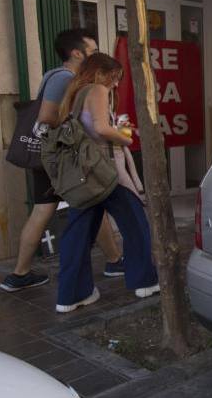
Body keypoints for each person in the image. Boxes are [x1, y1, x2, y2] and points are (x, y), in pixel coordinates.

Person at [0, 30, 124, 293]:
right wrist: (75, 127)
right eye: (93, 50)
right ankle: (113, 262)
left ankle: (20, 274)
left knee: (50, 208)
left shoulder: (59, 76)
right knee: (88, 200)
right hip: (60, 157)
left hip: (53, 155)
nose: (98, 55)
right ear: (76, 53)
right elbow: (47, 117)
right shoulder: (65, 78)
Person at [54, 53, 159, 313]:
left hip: (84, 178)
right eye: (113, 78)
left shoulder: (74, 94)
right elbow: (101, 129)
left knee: (77, 235)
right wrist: (125, 137)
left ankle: (70, 295)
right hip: (107, 174)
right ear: (100, 73)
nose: (114, 85)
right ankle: (145, 281)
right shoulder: (97, 90)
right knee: (136, 225)